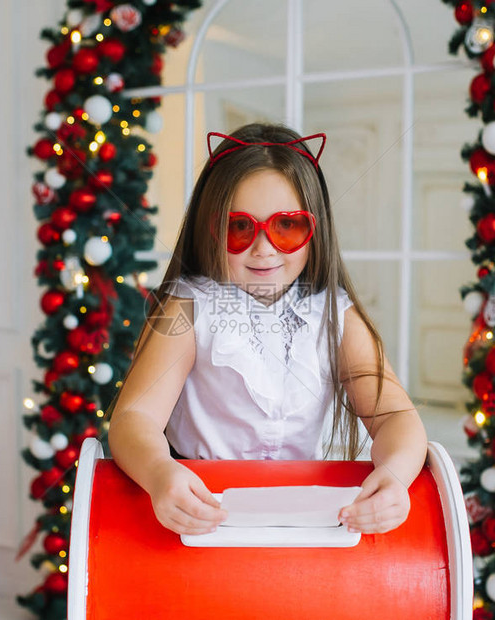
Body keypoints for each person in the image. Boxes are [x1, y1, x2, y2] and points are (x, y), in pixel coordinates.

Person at [107, 123, 427, 537]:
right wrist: (158, 472)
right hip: (201, 512)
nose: (264, 248)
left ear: (315, 231)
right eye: (240, 227)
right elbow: (133, 418)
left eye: (286, 227)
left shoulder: (334, 315)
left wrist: (396, 474)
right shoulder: (186, 309)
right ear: (210, 226)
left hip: (305, 520)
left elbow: (396, 417)